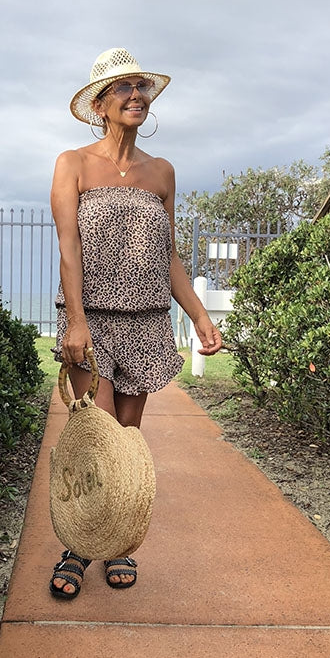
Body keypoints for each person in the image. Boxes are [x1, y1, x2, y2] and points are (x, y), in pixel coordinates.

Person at [49, 47, 222, 599]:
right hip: (91, 321)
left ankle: (118, 542)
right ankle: (78, 543)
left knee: (127, 440)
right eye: (122, 89)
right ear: (99, 104)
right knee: (95, 439)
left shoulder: (162, 172)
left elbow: (169, 254)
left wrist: (198, 316)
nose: (135, 95)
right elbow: (69, 248)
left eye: (141, 86)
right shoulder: (72, 164)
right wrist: (76, 322)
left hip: (146, 322)